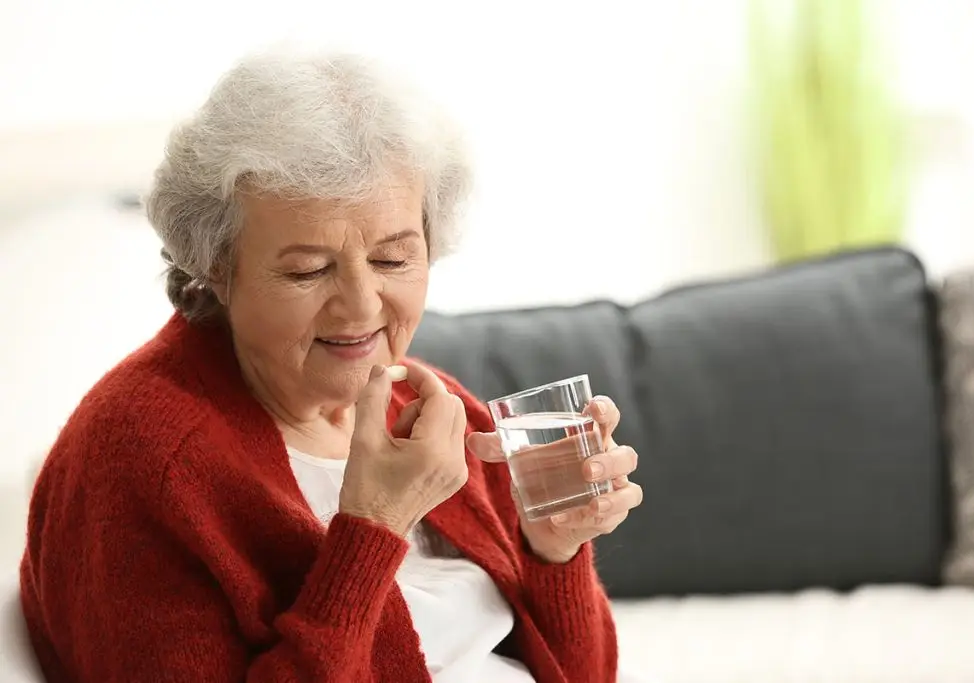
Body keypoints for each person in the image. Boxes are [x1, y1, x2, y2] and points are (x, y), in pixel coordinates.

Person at [19, 48, 644, 683]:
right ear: (216, 267)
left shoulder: (425, 409)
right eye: (308, 270)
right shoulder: (143, 459)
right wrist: (373, 528)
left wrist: (554, 549)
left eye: (393, 259)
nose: (362, 305)